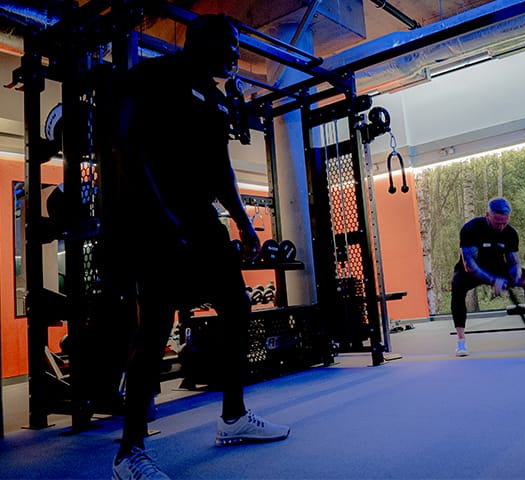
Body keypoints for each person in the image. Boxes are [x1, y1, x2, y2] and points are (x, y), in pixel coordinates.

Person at [112, 14, 289, 480]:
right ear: (201, 41)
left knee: (236, 306)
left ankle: (232, 417)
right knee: (155, 324)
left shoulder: (213, 97)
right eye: (228, 44)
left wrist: (244, 224)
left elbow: (220, 170)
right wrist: (163, 216)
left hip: (201, 219)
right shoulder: (151, 76)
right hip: (153, 217)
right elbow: (127, 146)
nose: (234, 55)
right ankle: (128, 454)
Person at [451, 197, 525, 356]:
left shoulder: (510, 233)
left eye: (504, 223)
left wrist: (516, 275)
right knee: (457, 286)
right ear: (488, 215)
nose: (501, 227)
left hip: (498, 267)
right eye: (497, 222)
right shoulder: (470, 229)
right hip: (472, 269)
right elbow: (469, 266)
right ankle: (461, 341)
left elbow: (514, 262)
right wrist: (493, 280)